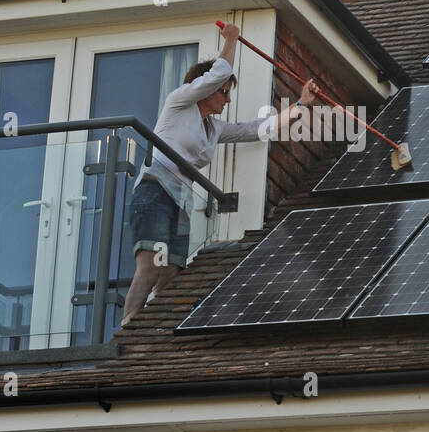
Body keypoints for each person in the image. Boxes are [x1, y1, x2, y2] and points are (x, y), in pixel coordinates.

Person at [122, 22, 317, 324]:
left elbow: (256, 130)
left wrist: (301, 106)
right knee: (150, 266)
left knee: (171, 273)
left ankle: (151, 330)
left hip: (180, 201)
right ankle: (128, 326)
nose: (227, 98)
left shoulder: (214, 128)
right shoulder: (179, 103)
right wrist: (231, 39)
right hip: (155, 191)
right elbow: (220, 72)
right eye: (224, 92)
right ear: (207, 88)